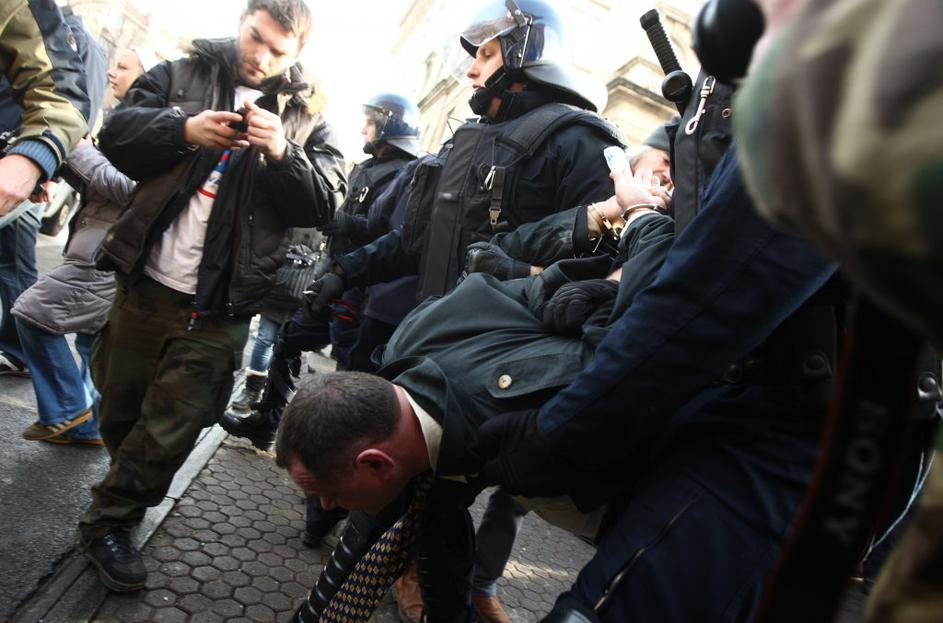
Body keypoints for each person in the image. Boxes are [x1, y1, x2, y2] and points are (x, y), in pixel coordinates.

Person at [278, 163, 674, 622]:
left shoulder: (546, 421)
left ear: (375, 463)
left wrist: (640, 217)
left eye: (328, 492)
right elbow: (501, 257)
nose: (326, 506)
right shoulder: (411, 342)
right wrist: (595, 227)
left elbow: (655, 314)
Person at [78, 0, 346, 593]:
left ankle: (110, 522)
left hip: (222, 306)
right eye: (255, 38)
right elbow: (116, 135)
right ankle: (124, 490)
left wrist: (283, 153)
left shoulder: (309, 118)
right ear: (242, 21)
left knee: (173, 426)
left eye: (277, 50)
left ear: (297, 53)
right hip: (144, 287)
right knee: (120, 410)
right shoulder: (182, 73)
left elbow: (326, 203)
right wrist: (182, 129)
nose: (261, 56)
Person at [221, 92, 421, 451]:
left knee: (350, 376)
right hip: (333, 279)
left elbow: (398, 238)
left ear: (390, 125)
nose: (363, 129)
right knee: (289, 339)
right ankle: (268, 421)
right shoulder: (365, 167)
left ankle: (337, 455)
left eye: (370, 122)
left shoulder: (409, 174)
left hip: (363, 291)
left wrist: (350, 225)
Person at [10, 49, 150, 446]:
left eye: (123, 66)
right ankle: (87, 425)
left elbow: (132, 190)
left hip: (107, 253)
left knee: (33, 313)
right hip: (102, 248)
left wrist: (77, 147)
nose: (112, 71)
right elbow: (101, 185)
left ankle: (69, 410)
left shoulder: (152, 122)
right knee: (92, 342)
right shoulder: (127, 117)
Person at [0, 0, 93, 375]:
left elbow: (68, 100)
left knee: (17, 270)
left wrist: (38, 164)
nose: (116, 73)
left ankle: (23, 354)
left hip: (19, 169)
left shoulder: (75, 36)